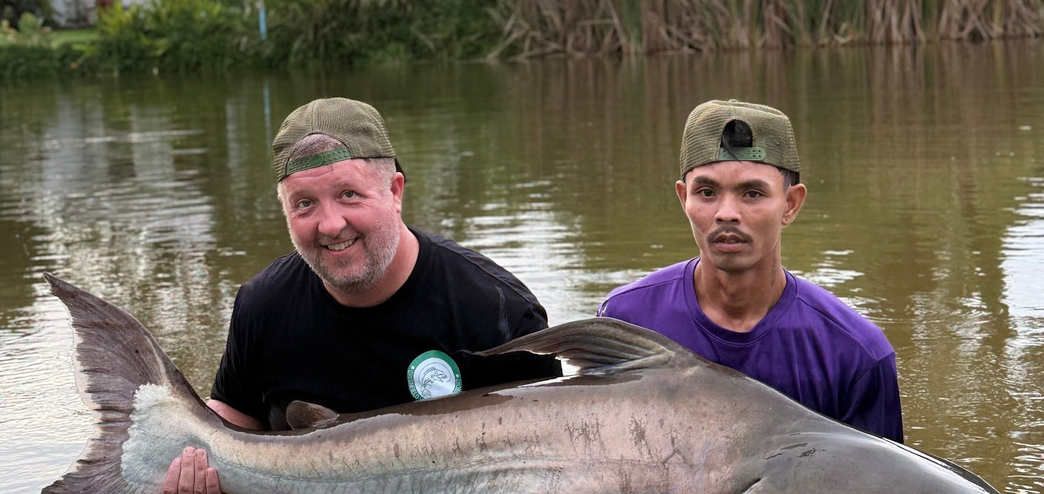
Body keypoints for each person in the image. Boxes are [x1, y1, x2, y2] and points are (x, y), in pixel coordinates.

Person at [163, 96, 560, 494]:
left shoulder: (499, 311)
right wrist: (192, 469)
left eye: (349, 194)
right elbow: (225, 427)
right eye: (305, 204)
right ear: (285, 211)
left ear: (395, 191)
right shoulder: (263, 304)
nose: (331, 225)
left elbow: (549, 462)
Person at [597, 98, 904, 442]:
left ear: (791, 204)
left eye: (752, 193)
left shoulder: (854, 355)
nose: (726, 213)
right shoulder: (627, 321)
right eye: (707, 192)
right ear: (684, 198)